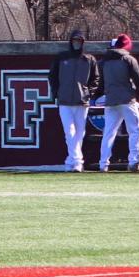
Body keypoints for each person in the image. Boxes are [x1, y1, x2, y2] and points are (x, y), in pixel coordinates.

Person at [97, 33, 139, 172]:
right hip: (127, 100)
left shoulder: (104, 61)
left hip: (110, 101)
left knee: (109, 133)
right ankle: (133, 162)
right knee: (134, 131)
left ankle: (103, 164)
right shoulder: (128, 59)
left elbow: (100, 84)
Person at [48, 29, 98, 173]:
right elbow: (52, 76)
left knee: (80, 132)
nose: (77, 43)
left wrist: (88, 93)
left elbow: (96, 79)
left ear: (83, 42)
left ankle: (70, 161)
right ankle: (77, 161)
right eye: (74, 40)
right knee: (69, 132)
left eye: (79, 40)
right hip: (64, 101)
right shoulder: (61, 58)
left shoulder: (89, 59)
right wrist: (57, 93)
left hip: (82, 102)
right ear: (70, 41)